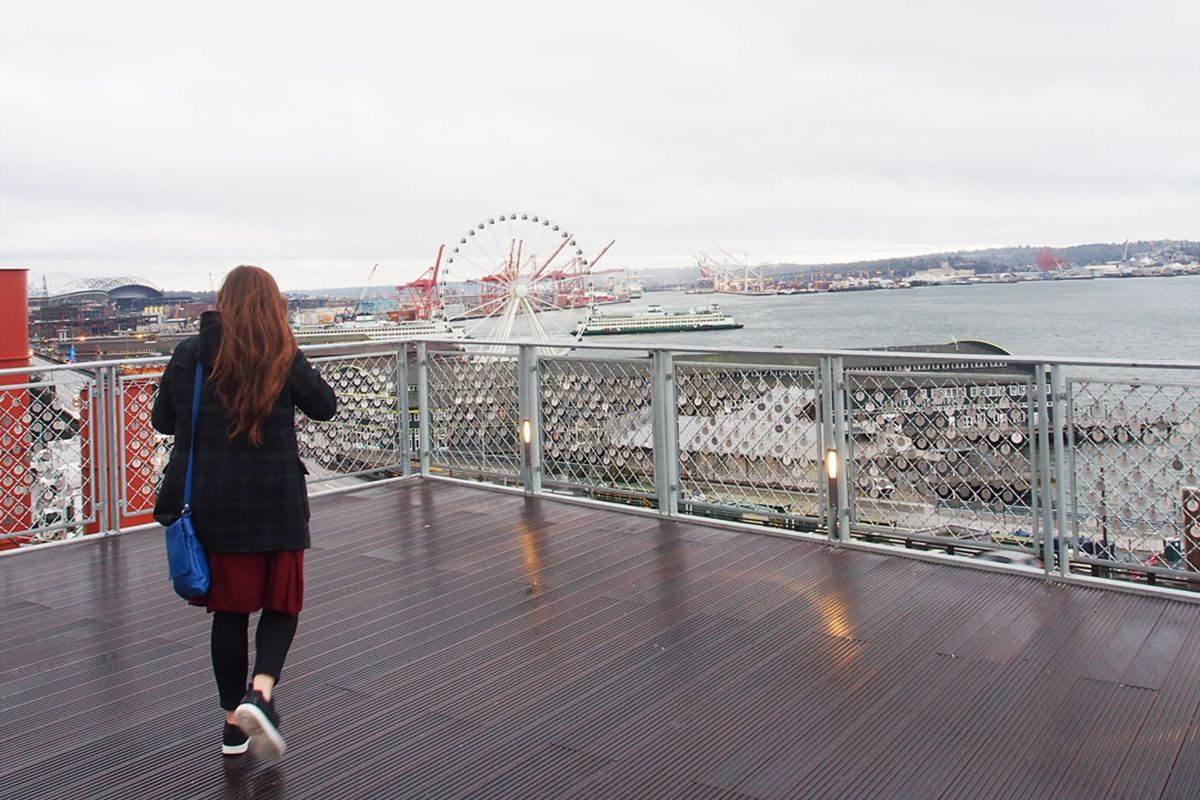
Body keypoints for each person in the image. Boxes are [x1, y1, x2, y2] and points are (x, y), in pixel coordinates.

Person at [152, 265, 337, 759]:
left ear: (223, 301)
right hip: (275, 502)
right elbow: (325, 407)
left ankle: (233, 724)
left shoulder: (191, 353)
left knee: (229, 614)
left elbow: (162, 420)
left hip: (214, 506)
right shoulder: (281, 352)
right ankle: (262, 691)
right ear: (272, 304)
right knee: (281, 604)